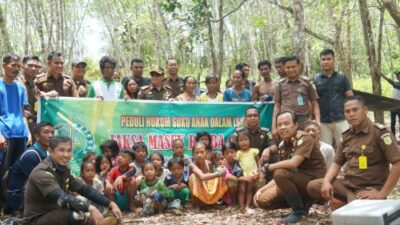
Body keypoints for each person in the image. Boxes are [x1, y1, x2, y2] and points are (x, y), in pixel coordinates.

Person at [307, 96, 400, 208]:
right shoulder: (347, 136)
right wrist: (327, 181)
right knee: (313, 186)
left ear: (365, 110)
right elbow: (337, 163)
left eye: (355, 110)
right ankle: (346, 202)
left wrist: (382, 193)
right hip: (348, 187)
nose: (351, 114)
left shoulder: (380, 133)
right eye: (347, 111)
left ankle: (350, 204)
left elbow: (397, 163)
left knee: (356, 212)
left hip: (368, 189)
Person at [23, 136, 123, 225]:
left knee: (90, 208)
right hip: (37, 220)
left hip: (54, 214)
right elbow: (62, 198)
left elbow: (84, 189)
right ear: (51, 151)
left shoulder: (63, 169)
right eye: (61, 150)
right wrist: (90, 209)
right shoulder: (42, 172)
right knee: (75, 215)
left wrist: (110, 203)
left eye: (69, 150)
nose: (66, 155)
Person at [254, 111, 326, 224]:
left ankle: (299, 211)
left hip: (314, 182)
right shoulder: (283, 145)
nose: (282, 127)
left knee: (279, 172)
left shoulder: (305, 138)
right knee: (262, 200)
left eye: (286, 123)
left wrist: (268, 167)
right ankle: (301, 204)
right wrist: (261, 189)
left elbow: (293, 163)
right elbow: (281, 175)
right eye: (279, 125)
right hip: (296, 180)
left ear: (296, 125)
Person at [0, 55, 31, 205]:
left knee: (17, 172)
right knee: (2, 170)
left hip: (21, 134)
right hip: (5, 134)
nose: (16, 69)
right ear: (3, 65)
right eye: (13, 65)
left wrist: (28, 132)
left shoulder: (20, 87)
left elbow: (22, 111)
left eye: (18, 66)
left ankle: (13, 205)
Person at [5, 122, 54, 215]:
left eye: (52, 132)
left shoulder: (46, 154)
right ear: (37, 137)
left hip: (32, 192)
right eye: (46, 132)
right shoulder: (31, 154)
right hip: (18, 196)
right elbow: (40, 183)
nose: (50, 135)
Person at [272, 55, 320, 139]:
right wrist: (274, 127)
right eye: (288, 67)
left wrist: (317, 122)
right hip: (286, 125)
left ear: (299, 66)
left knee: (306, 146)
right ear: (284, 68)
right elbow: (277, 106)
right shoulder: (279, 84)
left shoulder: (307, 82)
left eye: (293, 67)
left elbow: (314, 103)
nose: (291, 70)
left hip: (305, 122)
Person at [311, 49, 353, 146]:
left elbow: (350, 97)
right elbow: (313, 102)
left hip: (341, 119)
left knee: (346, 148)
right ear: (320, 61)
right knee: (326, 150)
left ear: (334, 60)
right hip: (323, 121)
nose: (326, 62)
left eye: (329, 59)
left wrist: (350, 117)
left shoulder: (342, 77)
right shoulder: (314, 79)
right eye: (323, 59)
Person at [188, 142, 227, 210]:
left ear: (206, 153)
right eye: (196, 153)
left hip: (207, 188)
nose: (199, 155)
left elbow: (212, 180)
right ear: (193, 155)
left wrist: (222, 169)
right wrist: (219, 173)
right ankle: (197, 205)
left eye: (202, 152)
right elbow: (202, 177)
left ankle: (213, 202)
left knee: (218, 178)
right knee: (194, 177)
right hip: (198, 192)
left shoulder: (209, 163)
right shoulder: (192, 165)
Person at [236, 132, 260, 213]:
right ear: (238, 143)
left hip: (252, 174)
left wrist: (259, 170)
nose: (243, 142)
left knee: (249, 190)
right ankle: (241, 206)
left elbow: (258, 161)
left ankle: (247, 206)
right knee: (242, 190)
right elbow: (236, 164)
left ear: (250, 141)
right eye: (241, 140)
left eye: (246, 139)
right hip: (243, 175)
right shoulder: (238, 153)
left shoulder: (254, 151)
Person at [20, 56, 42, 138]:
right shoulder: (16, 83)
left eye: (36, 66)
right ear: (22, 66)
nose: (33, 68)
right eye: (30, 65)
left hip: (33, 125)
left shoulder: (34, 85)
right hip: (20, 125)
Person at [380, 71, 400, 136]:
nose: (399, 77)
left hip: (399, 107)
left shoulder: (396, 84)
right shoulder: (396, 83)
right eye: (398, 76)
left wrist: (382, 75)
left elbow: (392, 82)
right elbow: (391, 82)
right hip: (392, 106)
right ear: (397, 77)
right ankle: (393, 137)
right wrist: (382, 74)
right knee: (392, 123)